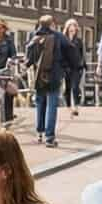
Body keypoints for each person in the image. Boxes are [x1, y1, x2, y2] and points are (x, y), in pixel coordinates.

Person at [26, 15, 74, 147]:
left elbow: (29, 58)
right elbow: (71, 50)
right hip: (54, 75)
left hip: (39, 75)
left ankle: (39, 133)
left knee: (40, 104)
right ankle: (50, 137)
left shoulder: (34, 37)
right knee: (52, 105)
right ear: (52, 24)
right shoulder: (59, 37)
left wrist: (28, 64)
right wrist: (68, 68)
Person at [61, 18, 87, 118]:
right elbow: (61, 53)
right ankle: (68, 107)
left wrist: (83, 65)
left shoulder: (79, 41)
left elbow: (82, 54)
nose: (73, 31)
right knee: (67, 88)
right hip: (66, 67)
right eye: (71, 30)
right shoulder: (63, 40)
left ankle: (76, 107)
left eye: (74, 30)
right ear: (67, 29)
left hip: (77, 67)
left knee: (75, 87)